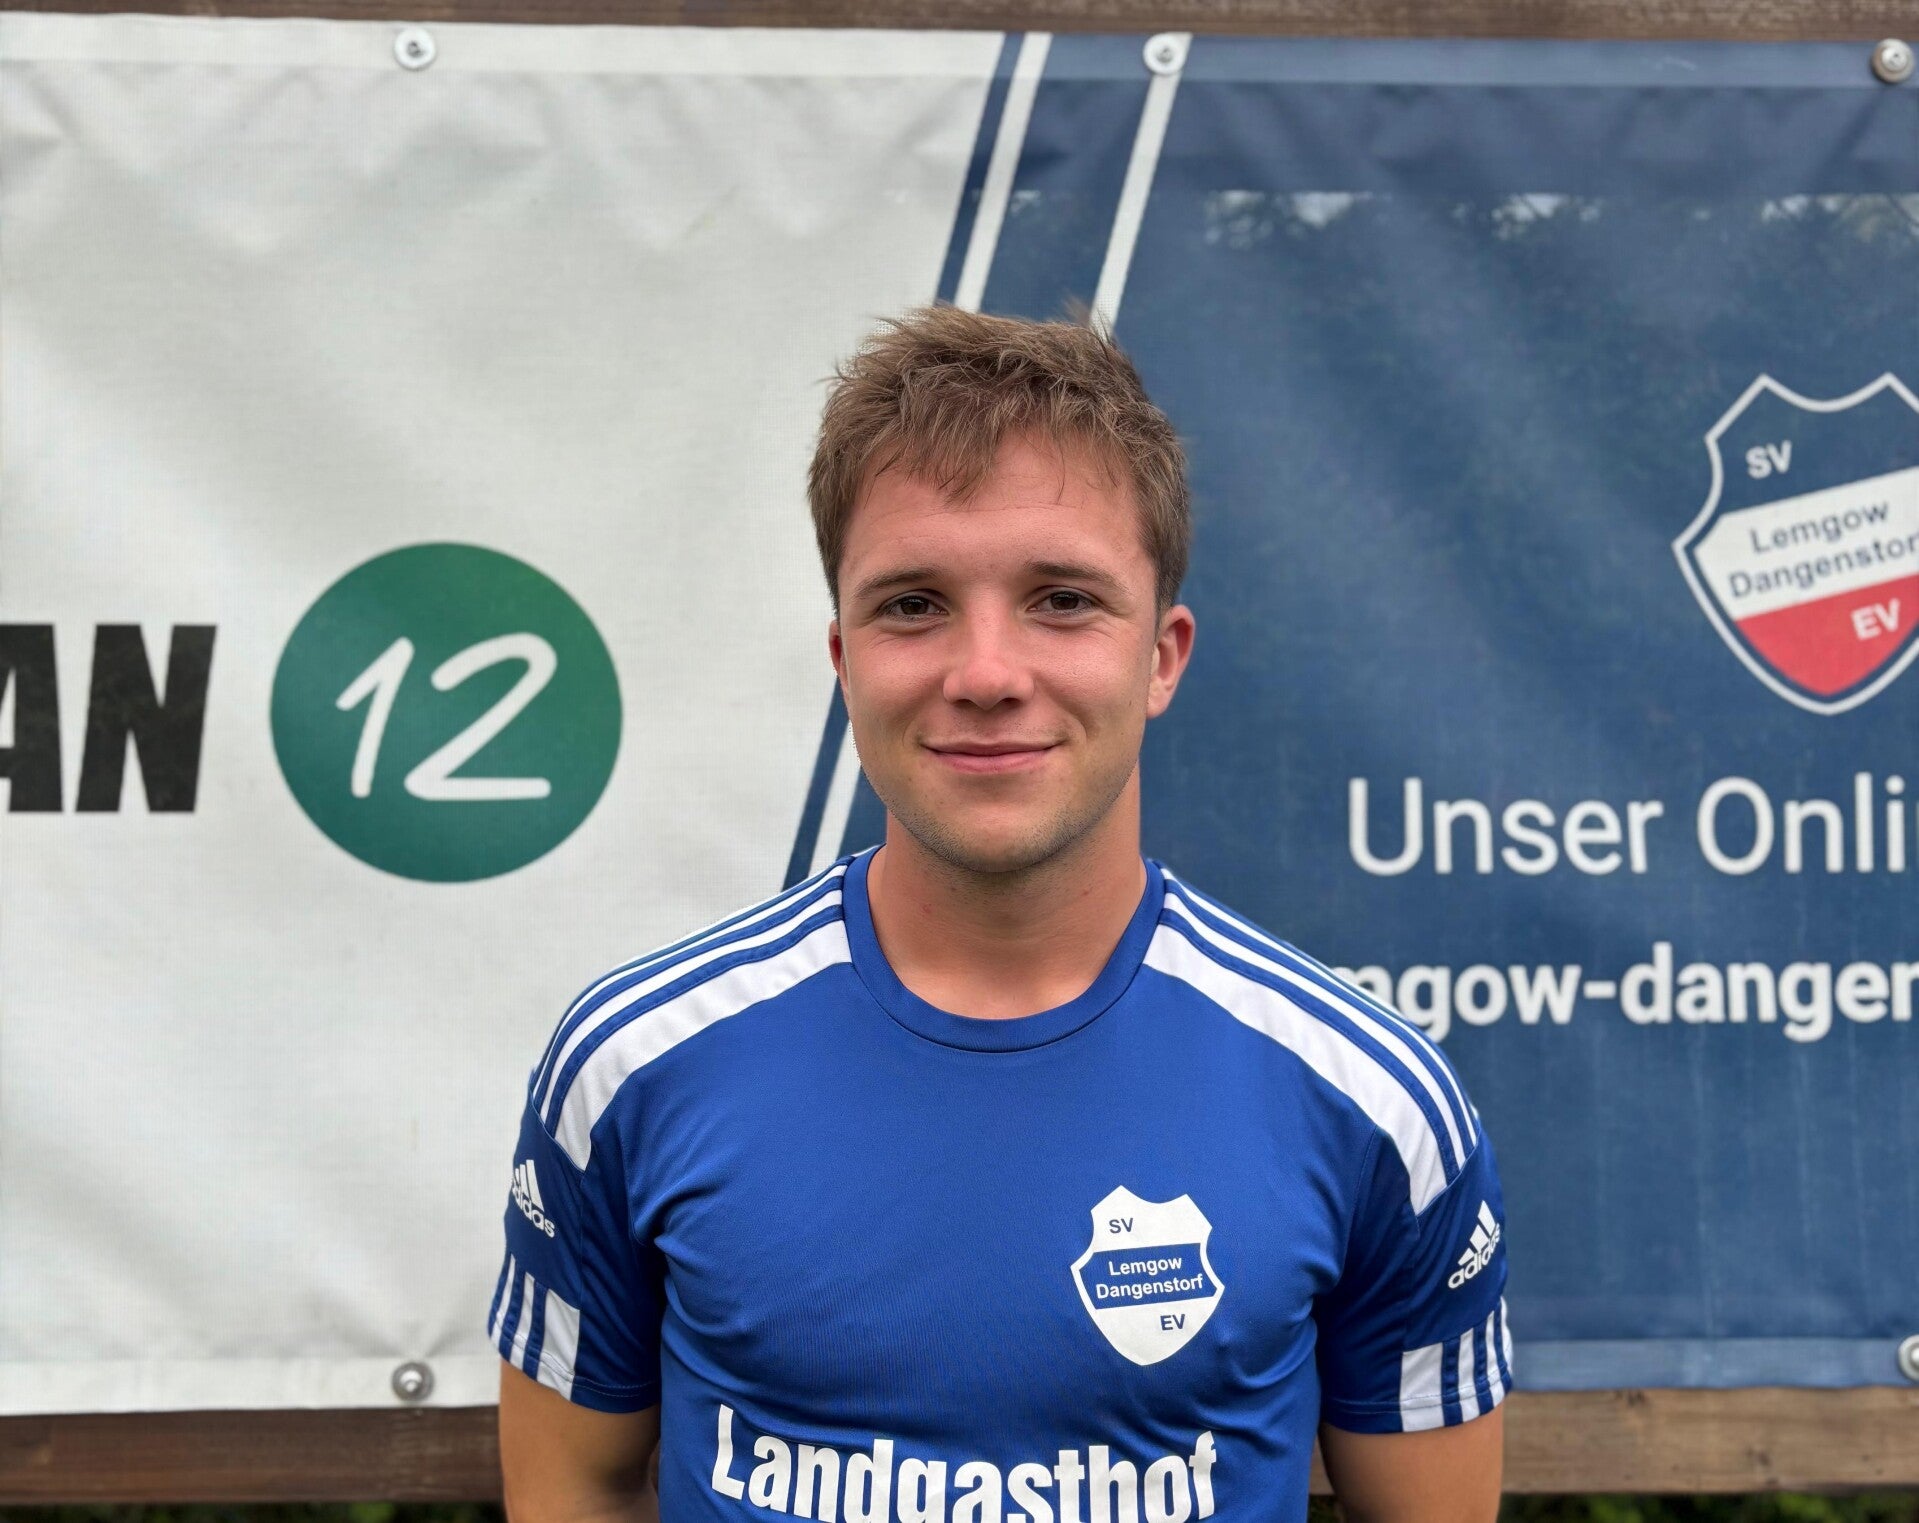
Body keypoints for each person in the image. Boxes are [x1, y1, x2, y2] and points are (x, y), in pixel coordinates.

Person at [491, 307, 1511, 1522]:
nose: (984, 673)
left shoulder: (1368, 1100)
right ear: (842, 657)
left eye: (1062, 599)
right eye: (912, 604)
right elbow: (577, 1486)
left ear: (1162, 655)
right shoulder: (633, 1065)